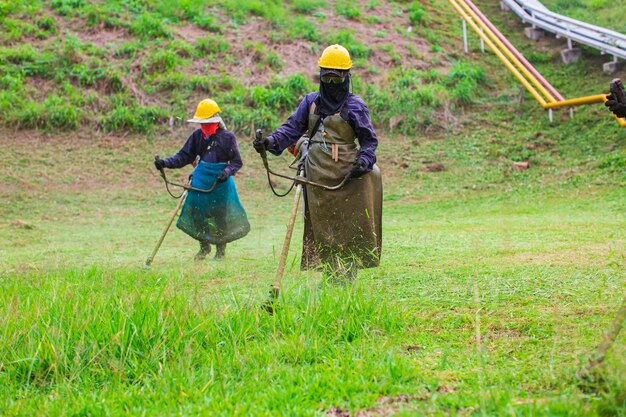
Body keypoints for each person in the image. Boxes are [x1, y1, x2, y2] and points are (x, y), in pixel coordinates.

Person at [253, 44, 382, 281]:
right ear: (321, 76)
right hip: (317, 176)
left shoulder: (356, 106)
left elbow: (369, 141)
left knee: (348, 226)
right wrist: (270, 142)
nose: (332, 84)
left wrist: (363, 161)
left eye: (337, 77)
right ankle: (331, 276)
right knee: (322, 227)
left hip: (348, 176)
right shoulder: (311, 102)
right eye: (327, 77)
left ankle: (348, 275)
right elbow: (290, 129)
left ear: (346, 77)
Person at [154, 98, 250, 260]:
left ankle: (220, 251)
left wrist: (226, 172)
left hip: (221, 183)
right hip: (200, 180)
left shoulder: (228, 138)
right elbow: (184, 156)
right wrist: (165, 163)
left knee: (220, 216)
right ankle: (204, 247)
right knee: (198, 214)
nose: (204, 127)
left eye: (207, 124)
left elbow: (236, 162)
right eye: (202, 124)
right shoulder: (197, 136)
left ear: (216, 121)